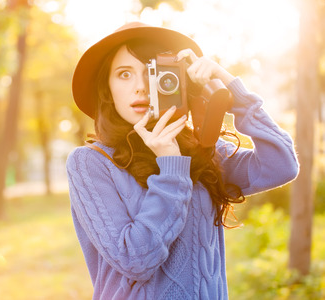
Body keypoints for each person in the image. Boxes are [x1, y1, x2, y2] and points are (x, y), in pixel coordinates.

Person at [66, 22, 299, 300]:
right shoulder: (91, 163)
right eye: (124, 74)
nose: (140, 87)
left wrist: (231, 90)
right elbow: (135, 260)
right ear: (108, 88)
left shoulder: (203, 149)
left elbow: (282, 164)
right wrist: (171, 170)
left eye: (151, 73)